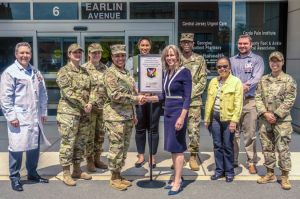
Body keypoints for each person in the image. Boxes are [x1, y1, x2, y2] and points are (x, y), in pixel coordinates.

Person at [0, 42, 50, 191]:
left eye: (27, 53)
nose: (24, 55)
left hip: (34, 116)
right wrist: (11, 117)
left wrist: (43, 112)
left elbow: (43, 94)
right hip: (18, 118)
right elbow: (5, 98)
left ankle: (32, 174)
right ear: (16, 54)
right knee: (16, 147)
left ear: (30, 54)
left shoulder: (35, 72)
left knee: (34, 146)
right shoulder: (10, 73)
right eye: (21, 53)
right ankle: (15, 177)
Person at [146, 45, 192, 195]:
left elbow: (187, 98)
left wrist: (182, 117)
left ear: (178, 56)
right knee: (173, 147)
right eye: (167, 56)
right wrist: (147, 98)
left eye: (172, 55)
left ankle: (178, 180)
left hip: (178, 113)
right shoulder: (167, 73)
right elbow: (163, 96)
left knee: (178, 148)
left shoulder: (185, 72)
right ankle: (176, 177)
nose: (170, 58)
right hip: (168, 114)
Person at [103, 44, 146, 191]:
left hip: (127, 117)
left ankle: (119, 174)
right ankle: (114, 178)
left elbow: (131, 91)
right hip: (115, 117)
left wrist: (134, 114)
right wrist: (136, 99)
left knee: (124, 148)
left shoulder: (126, 72)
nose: (120, 58)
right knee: (116, 148)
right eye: (117, 56)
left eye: (122, 55)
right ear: (112, 57)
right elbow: (114, 95)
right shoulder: (110, 73)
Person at [255, 51, 297, 190]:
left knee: (283, 148)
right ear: (269, 63)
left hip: (282, 121)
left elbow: (290, 99)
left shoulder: (288, 80)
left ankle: (284, 176)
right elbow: (258, 98)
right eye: (272, 61)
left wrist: (277, 115)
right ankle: (270, 174)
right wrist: (266, 114)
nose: (275, 63)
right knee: (267, 148)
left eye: (277, 61)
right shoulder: (263, 80)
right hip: (265, 120)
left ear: (283, 62)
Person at [56, 43, 93, 186]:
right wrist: (84, 104)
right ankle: (66, 172)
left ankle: (77, 170)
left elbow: (90, 90)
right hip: (68, 114)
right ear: (69, 54)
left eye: (79, 52)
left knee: (80, 143)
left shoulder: (84, 72)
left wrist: (90, 102)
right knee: (68, 143)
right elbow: (68, 92)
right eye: (75, 52)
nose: (78, 54)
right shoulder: (63, 72)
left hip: (84, 114)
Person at [204, 57, 243, 183]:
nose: (222, 69)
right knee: (217, 145)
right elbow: (209, 101)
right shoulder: (213, 82)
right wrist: (207, 119)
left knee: (228, 145)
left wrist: (234, 121)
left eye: (225, 66)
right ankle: (219, 170)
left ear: (230, 67)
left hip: (228, 120)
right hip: (215, 118)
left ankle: (229, 172)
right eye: (219, 67)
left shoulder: (236, 82)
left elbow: (238, 104)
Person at [125, 37, 162, 168]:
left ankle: (152, 157)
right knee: (140, 128)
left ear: (150, 46)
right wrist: (139, 93)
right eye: (142, 45)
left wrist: (151, 92)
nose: (144, 47)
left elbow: (160, 78)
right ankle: (141, 157)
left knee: (153, 129)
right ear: (138, 46)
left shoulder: (156, 60)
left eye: (147, 45)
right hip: (139, 99)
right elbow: (129, 79)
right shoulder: (132, 61)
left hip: (153, 99)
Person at [230, 34, 264, 174]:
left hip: (249, 101)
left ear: (251, 45)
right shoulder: (231, 60)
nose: (242, 46)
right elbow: (228, 77)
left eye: (245, 44)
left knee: (250, 133)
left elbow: (257, 77)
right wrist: (238, 87)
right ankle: (233, 160)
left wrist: (245, 86)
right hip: (233, 101)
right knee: (233, 133)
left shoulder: (257, 60)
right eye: (240, 43)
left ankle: (251, 162)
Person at [178, 33, 207, 171]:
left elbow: (202, 81)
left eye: (189, 42)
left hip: (194, 102)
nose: (186, 44)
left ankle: (193, 157)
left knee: (194, 131)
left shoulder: (200, 59)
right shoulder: (176, 59)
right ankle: (179, 157)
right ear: (181, 44)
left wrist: (189, 95)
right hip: (178, 103)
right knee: (178, 130)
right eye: (184, 42)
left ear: (193, 43)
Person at [82, 43, 108, 172]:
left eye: (99, 52)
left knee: (100, 135)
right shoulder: (83, 69)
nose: (97, 55)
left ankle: (97, 158)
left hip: (102, 108)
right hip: (89, 109)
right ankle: (90, 161)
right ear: (89, 53)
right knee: (89, 136)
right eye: (94, 52)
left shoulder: (106, 69)